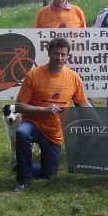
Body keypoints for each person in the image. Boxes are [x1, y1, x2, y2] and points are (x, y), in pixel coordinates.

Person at [13, 37, 91, 193]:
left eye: (63, 54)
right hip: (33, 124)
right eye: (56, 54)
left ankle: (23, 165)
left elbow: (83, 103)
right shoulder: (33, 75)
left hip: (54, 132)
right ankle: (23, 182)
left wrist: (103, 122)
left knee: (49, 176)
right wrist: (43, 110)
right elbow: (19, 106)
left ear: (68, 56)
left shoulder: (73, 77)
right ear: (49, 53)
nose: (59, 58)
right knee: (22, 133)